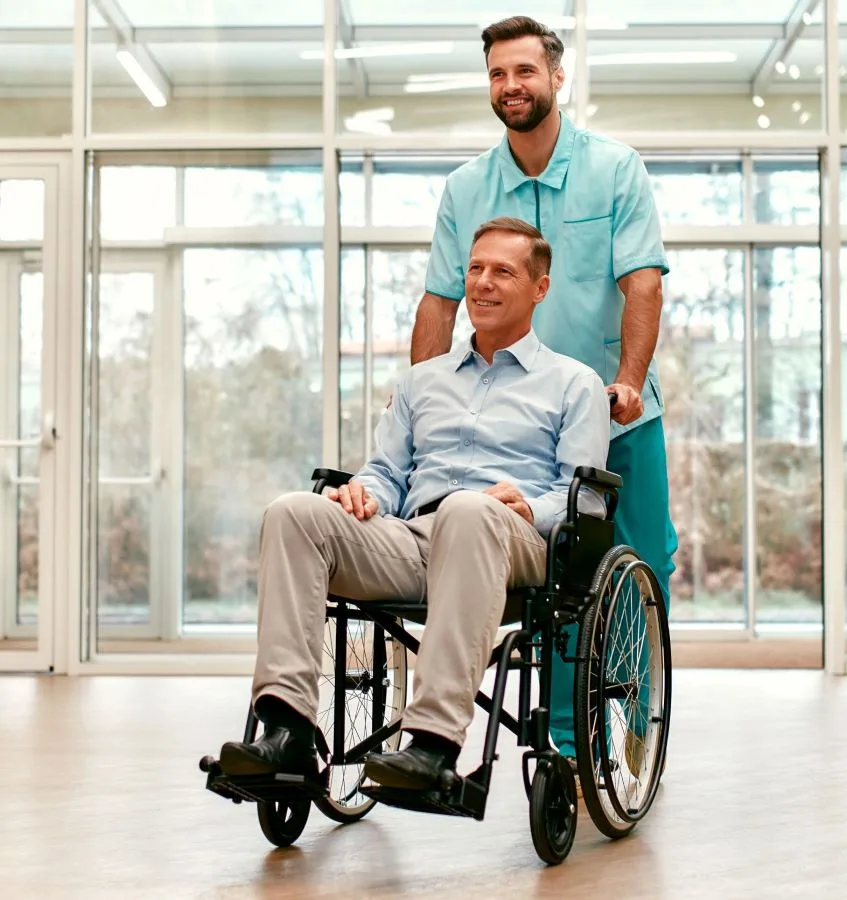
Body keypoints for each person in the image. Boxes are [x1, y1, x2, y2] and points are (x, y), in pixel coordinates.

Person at [217, 217, 610, 791]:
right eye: (475, 269)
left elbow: (586, 497)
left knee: (470, 511)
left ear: (539, 288)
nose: (483, 283)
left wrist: (526, 505)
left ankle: (432, 746)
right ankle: (287, 730)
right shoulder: (421, 382)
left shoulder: (574, 383)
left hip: (513, 543)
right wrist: (362, 493)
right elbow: (387, 474)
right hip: (416, 539)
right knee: (294, 511)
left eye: (503, 271)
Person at [410, 15, 677, 772]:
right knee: (563, 578)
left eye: (525, 71)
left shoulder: (615, 169)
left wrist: (626, 380)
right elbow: (438, 300)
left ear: (558, 78)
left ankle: (634, 707)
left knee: (642, 564)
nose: (511, 86)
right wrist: (419, 402)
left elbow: (642, 282)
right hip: (517, 427)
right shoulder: (468, 188)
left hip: (617, 417)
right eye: (498, 74)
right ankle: (564, 737)